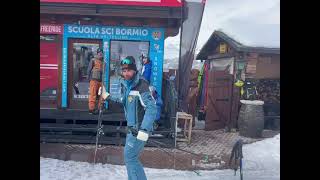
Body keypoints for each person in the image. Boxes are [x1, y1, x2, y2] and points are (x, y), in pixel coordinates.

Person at [101, 56, 157, 180]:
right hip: (131, 129)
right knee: (130, 158)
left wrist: (144, 129)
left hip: (139, 130)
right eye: (124, 71)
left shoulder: (141, 85)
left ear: (134, 71)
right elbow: (123, 100)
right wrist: (107, 96)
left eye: (128, 70)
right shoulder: (127, 85)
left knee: (130, 157)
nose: (126, 73)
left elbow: (152, 108)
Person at [87, 48, 104, 114]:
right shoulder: (93, 60)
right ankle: (91, 109)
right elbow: (89, 70)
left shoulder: (103, 61)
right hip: (93, 80)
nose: (100, 53)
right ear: (97, 53)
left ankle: (100, 108)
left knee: (101, 95)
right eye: (99, 52)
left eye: (101, 52)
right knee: (93, 94)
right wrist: (89, 79)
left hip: (101, 81)